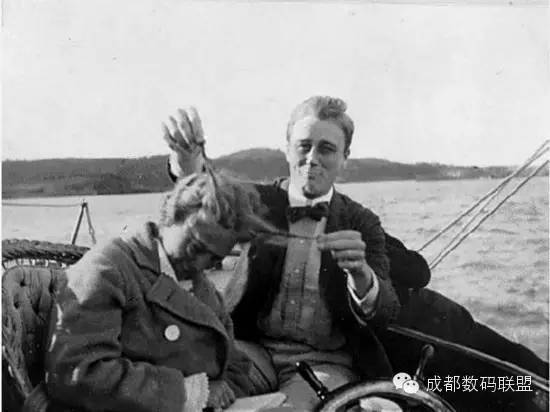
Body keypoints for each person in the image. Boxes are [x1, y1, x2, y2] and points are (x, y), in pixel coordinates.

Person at [164, 97, 548, 409]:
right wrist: (187, 160)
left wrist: (361, 276)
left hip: (323, 364)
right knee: (190, 394)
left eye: (327, 149)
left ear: (344, 158)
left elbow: (386, 309)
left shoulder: (362, 222)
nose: (312, 158)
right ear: (287, 150)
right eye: (304, 146)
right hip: (251, 352)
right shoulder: (257, 201)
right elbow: (207, 194)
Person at [44, 172, 278, 412]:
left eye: (213, 260)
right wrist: (190, 393)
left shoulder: (202, 290)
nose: (199, 264)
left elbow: (234, 365)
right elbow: (76, 373)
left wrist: (222, 397)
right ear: (170, 217)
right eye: (195, 247)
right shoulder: (108, 269)